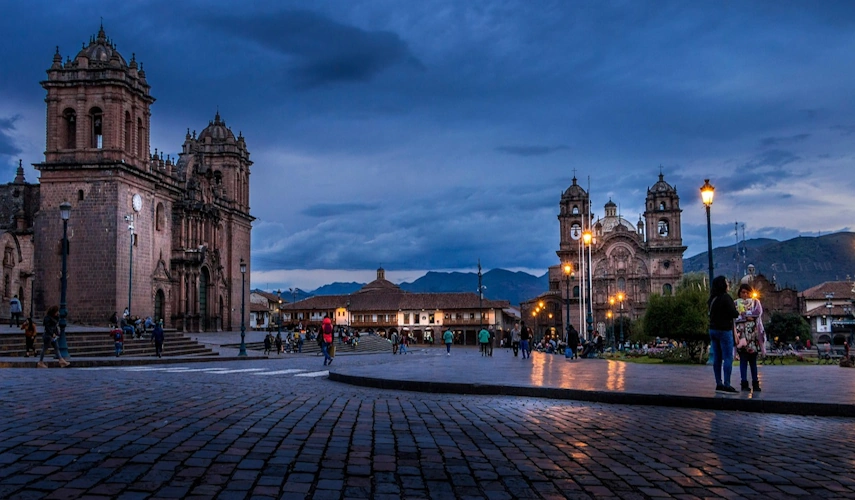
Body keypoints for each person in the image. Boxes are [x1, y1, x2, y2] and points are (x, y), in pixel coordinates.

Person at [708, 276, 739, 394]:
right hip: (724, 330)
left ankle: (718, 383)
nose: (728, 283)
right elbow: (733, 313)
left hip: (713, 330)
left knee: (717, 357)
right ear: (723, 285)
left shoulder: (712, 299)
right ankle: (727, 383)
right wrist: (738, 311)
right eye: (726, 282)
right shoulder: (726, 298)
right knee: (727, 357)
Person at [734, 284, 765, 392]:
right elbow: (735, 316)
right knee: (743, 360)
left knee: (753, 361)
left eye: (747, 292)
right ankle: (744, 383)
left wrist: (744, 315)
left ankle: (755, 383)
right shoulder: (735, 303)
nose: (745, 294)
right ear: (739, 293)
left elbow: (758, 313)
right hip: (741, 335)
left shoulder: (756, 302)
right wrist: (748, 316)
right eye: (743, 292)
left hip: (753, 335)